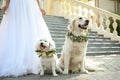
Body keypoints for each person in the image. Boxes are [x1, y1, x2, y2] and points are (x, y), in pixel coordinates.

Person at [0, 0, 53, 77]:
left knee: (30, 30)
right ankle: (21, 61)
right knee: (17, 30)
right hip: (19, 5)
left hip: (29, 5)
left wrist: (40, 8)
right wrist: (7, 5)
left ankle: (33, 62)